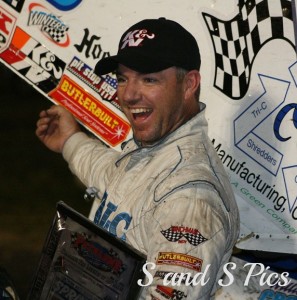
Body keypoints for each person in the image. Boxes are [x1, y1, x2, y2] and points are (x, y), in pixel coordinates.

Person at [36, 18, 239, 300]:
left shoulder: (190, 199)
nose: (128, 94)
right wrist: (70, 141)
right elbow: (111, 174)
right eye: (122, 78)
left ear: (189, 84)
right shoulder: (155, 151)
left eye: (149, 79)